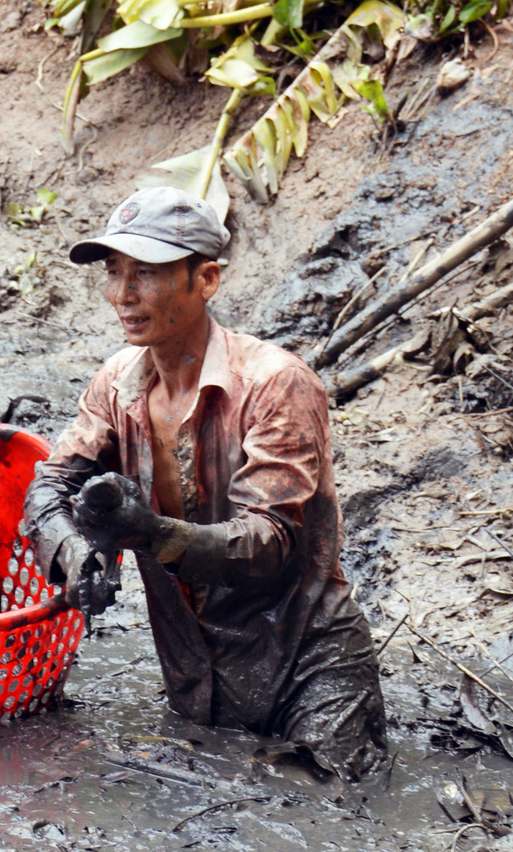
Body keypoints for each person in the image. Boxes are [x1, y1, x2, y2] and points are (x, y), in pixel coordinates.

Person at [25, 187, 389, 782]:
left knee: (325, 823)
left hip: (305, 660)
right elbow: (47, 487)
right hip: (195, 672)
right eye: (115, 273)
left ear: (207, 279)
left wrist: (149, 532)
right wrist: (76, 553)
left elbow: (268, 543)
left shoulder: (276, 384)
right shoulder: (117, 383)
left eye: (146, 273)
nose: (122, 294)